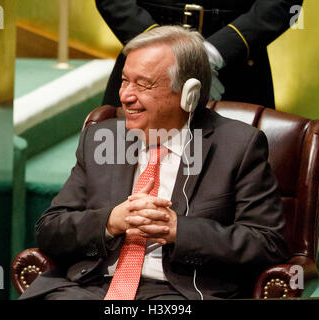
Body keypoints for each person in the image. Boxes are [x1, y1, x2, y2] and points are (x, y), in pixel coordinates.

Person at [20, 26, 288, 300]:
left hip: (178, 293)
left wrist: (178, 231)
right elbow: (50, 229)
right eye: (125, 81)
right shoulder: (102, 138)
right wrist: (111, 221)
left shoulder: (238, 146)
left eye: (143, 84)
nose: (125, 96)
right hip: (90, 287)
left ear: (188, 93)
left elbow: (267, 244)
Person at [96, 0, 304, 109]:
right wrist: (160, 49)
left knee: (237, 178)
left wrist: (214, 54)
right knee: (120, 174)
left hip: (235, 66)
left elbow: (284, 3)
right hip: (145, 56)